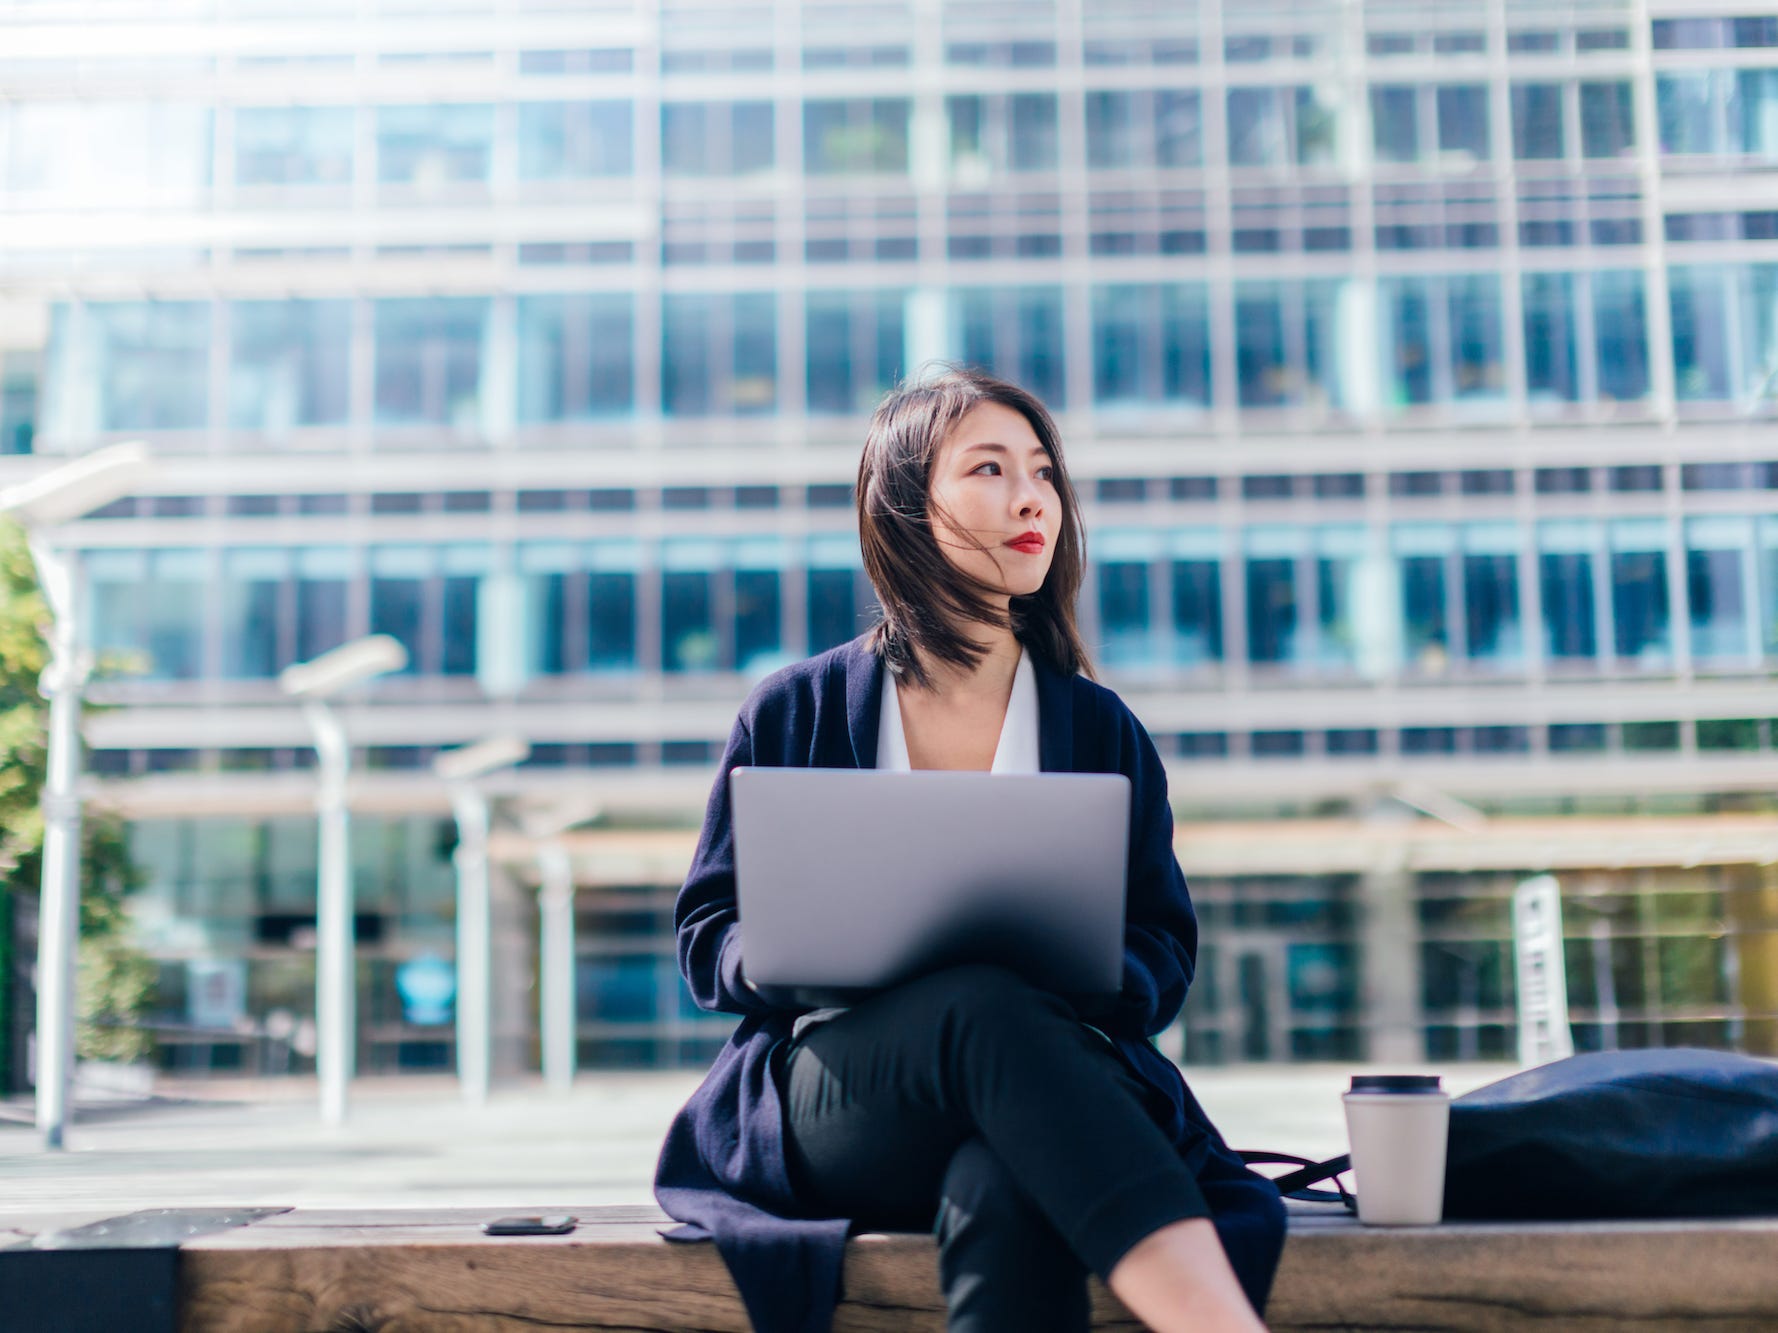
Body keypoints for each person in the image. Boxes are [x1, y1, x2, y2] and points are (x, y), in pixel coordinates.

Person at [655, 369, 1286, 1333]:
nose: (1032, 497)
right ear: (907, 503)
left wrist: (1083, 967)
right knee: (976, 1003)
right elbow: (709, 933)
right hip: (845, 1097)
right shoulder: (796, 708)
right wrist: (788, 948)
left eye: (1043, 472)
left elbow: (1162, 946)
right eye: (989, 468)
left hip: (1046, 1080)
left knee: (1003, 1176)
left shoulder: (1099, 726)